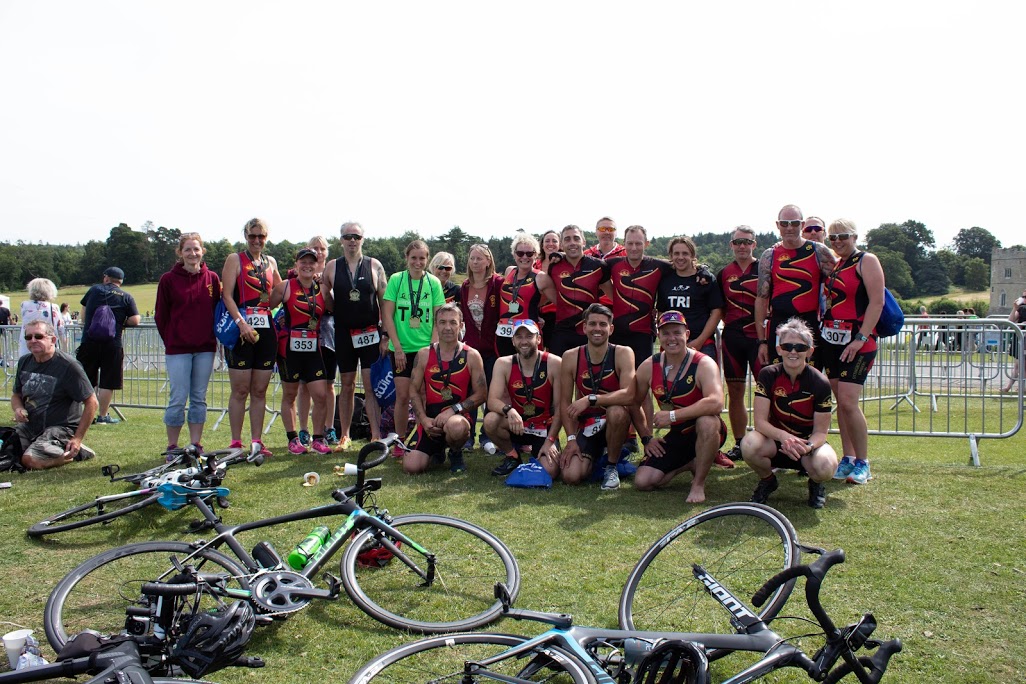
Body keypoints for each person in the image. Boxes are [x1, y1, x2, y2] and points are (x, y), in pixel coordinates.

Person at [742, 318, 838, 509]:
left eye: (799, 347)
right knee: (749, 444)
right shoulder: (768, 374)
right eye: (787, 346)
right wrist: (785, 438)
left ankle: (816, 483)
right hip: (776, 442)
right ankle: (768, 481)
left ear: (810, 352)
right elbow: (760, 423)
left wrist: (808, 447)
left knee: (826, 466)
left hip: (805, 447)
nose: (793, 351)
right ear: (779, 349)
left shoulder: (820, 383)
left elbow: (820, 432)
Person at [634, 311, 726, 503]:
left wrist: (673, 416)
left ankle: (698, 483)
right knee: (644, 481)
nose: (671, 338)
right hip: (679, 433)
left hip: (708, 429)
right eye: (666, 333)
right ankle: (690, 462)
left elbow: (716, 402)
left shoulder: (703, 363)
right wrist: (647, 438)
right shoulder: (649, 365)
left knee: (707, 421)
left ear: (687, 334)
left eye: (677, 332)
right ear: (658, 336)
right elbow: (633, 401)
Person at [820, 219, 884, 486]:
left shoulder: (866, 260)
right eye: (832, 238)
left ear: (855, 236)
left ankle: (863, 462)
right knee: (842, 404)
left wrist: (861, 337)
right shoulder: (836, 264)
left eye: (842, 236)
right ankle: (848, 457)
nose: (837, 241)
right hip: (832, 340)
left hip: (858, 341)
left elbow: (877, 301)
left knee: (848, 402)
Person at [220, 218, 282, 457]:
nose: (257, 241)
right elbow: (227, 296)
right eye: (252, 236)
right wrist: (241, 323)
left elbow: (279, 293)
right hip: (241, 329)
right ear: (246, 236)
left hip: (265, 329)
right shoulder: (235, 259)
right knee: (240, 390)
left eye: (261, 236)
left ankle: (257, 441)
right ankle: (236, 442)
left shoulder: (271, 261)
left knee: (259, 390)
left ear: (266, 238)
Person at [154, 232, 221, 453]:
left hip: (204, 348)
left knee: (199, 398)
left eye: (196, 249)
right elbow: (161, 316)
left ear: (202, 251)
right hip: (178, 349)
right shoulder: (168, 280)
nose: (192, 253)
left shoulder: (212, 278)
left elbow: (216, 310)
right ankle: (172, 446)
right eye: (188, 249)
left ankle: (195, 443)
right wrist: (172, 339)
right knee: (178, 397)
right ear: (180, 253)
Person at [556, 303, 636, 489]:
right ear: (584, 327)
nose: (597, 329)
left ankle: (611, 466)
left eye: (602, 324)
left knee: (616, 411)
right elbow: (564, 402)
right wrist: (571, 440)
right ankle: (597, 456)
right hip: (588, 424)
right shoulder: (571, 356)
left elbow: (629, 396)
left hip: (615, 421)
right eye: (592, 324)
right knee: (571, 476)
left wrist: (592, 398)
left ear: (611, 328)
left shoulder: (623, 353)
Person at [323, 222, 388, 446]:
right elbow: (326, 299)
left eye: (356, 237)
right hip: (344, 334)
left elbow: (384, 302)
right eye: (348, 236)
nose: (352, 240)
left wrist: (386, 335)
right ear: (340, 239)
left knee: (370, 386)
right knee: (347, 384)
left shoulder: (375, 265)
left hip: (370, 333)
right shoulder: (332, 267)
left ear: (362, 239)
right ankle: (345, 434)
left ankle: (376, 433)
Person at [405, 304, 487, 474]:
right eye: (442, 322)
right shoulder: (424, 354)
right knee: (411, 467)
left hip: (457, 418)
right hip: (430, 421)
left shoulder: (471, 355)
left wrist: (452, 411)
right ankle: (437, 450)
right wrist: (423, 420)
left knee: (456, 427)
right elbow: (413, 390)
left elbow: (482, 394)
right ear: (436, 325)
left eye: (453, 322)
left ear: (461, 325)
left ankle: (455, 452)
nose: (447, 327)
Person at [382, 239, 446, 456]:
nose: (417, 262)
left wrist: (432, 348)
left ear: (427, 260)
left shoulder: (434, 283)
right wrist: (397, 347)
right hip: (402, 349)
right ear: (407, 258)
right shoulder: (397, 280)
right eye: (413, 258)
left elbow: (439, 317)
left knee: (424, 397)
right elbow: (387, 315)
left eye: (422, 258)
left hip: (425, 349)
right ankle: (399, 441)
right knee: (402, 396)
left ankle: (422, 439)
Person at [755, 205, 837, 368]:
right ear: (778, 225)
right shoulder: (769, 255)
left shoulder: (818, 251)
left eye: (794, 223)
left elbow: (840, 286)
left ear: (802, 224)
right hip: (779, 324)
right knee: (779, 379)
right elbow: (761, 298)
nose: (790, 228)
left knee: (811, 377)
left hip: (810, 322)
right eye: (785, 224)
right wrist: (762, 341)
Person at [10, 320, 98, 469]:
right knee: (5, 450)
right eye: (28, 337)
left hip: (60, 429)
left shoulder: (68, 366)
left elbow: (92, 402)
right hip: (30, 425)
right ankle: (47, 448)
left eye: (38, 336)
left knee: (29, 460)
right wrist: (18, 409)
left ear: (53, 340)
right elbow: (16, 395)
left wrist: (77, 438)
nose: (33, 340)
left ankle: (74, 453)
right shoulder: (25, 361)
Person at [270, 248, 332, 455]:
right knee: (290, 394)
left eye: (311, 262)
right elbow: (265, 307)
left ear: (317, 265)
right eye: (303, 262)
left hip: (313, 348)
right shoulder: (285, 287)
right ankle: (293, 439)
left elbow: (333, 308)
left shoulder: (321, 288)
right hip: (289, 349)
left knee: (321, 395)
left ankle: (317, 439)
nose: (307, 265)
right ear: (296, 265)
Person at [485, 319, 562, 477]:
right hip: (517, 424)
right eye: (519, 337)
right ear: (513, 341)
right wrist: (509, 410)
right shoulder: (503, 363)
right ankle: (512, 456)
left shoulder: (554, 363)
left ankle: (541, 451)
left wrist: (551, 440)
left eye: (529, 336)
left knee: (550, 471)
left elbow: (561, 408)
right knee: (490, 420)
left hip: (544, 427)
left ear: (538, 339)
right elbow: (492, 401)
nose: (524, 341)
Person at [716, 226, 761, 461]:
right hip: (733, 337)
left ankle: (768, 441)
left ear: (754, 244)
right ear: (731, 245)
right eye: (738, 242)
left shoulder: (763, 269)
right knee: (735, 393)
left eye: (747, 242)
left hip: (759, 338)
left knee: (766, 391)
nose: (742, 246)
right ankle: (741, 442)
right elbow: (720, 308)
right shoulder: (724, 273)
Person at [77, 267, 141, 424]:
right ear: (120, 281)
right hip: (112, 343)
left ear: (106, 278)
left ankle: (86, 415)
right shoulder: (126, 296)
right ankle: (102, 415)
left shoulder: (93, 290)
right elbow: (135, 320)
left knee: (86, 379)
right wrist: (121, 323)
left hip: (89, 341)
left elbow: (83, 315)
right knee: (108, 381)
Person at [294, 235, 341, 449]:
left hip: (329, 336)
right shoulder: (298, 274)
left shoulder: (333, 274)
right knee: (303, 386)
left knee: (329, 385)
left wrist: (323, 285)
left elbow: (333, 306)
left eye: (322, 248)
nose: (319, 251)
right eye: (315, 248)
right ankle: (303, 430)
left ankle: (329, 427)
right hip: (305, 337)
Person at [459, 243, 504, 452]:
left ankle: (487, 436)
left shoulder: (498, 284)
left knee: (491, 394)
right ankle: (467, 435)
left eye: (480, 258)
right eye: (472, 258)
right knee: (470, 393)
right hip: (471, 350)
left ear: (488, 261)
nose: (475, 262)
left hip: (493, 349)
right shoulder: (465, 287)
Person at [605, 225, 668, 368]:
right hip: (617, 331)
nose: (634, 248)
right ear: (624, 243)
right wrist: (561, 256)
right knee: (616, 378)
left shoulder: (659, 266)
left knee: (642, 379)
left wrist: (702, 271)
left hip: (644, 332)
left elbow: (684, 264)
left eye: (638, 243)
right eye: (630, 243)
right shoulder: (612, 264)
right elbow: (585, 262)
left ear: (646, 243)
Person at [548, 225, 611, 356]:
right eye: (567, 239)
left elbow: (614, 296)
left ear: (584, 241)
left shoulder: (599, 266)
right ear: (561, 244)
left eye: (576, 238)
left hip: (589, 331)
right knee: (559, 373)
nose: (572, 243)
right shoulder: (553, 266)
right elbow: (544, 293)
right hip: (562, 331)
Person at [657, 236, 724, 359]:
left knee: (705, 378)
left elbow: (717, 312)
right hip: (672, 342)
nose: (680, 257)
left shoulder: (706, 279)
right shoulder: (665, 281)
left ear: (693, 255)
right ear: (671, 256)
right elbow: (661, 312)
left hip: (702, 343)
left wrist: (699, 341)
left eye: (685, 253)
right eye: (676, 253)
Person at [496, 234, 556, 358]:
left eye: (529, 254)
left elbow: (560, 303)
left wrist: (540, 315)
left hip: (527, 336)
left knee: (528, 372)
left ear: (536, 255)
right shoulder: (509, 271)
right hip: (504, 333)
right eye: (520, 253)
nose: (524, 257)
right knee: (505, 371)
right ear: (514, 254)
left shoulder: (541, 277)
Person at [19, 278, 65, 357]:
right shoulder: (54, 307)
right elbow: (61, 329)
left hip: (27, 346)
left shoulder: (24, 305)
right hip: (47, 345)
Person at [536, 229, 562, 350]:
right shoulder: (535, 265)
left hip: (557, 314)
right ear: (542, 244)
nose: (550, 244)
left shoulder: (564, 264)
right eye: (547, 241)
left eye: (554, 241)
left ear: (560, 244)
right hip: (537, 314)